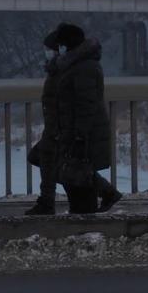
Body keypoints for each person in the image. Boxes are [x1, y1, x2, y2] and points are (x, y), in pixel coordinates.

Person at [49, 23, 122, 214]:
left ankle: (86, 219)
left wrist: (80, 136)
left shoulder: (84, 68)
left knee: (76, 175)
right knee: (75, 172)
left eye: (61, 45)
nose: (59, 50)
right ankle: (99, 200)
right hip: (74, 130)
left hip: (82, 133)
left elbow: (86, 104)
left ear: (69, 45)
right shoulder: (76, 65)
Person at [24, 30, 63, 216]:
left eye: (49, 49)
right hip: (54, 125)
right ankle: (104, 190)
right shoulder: (56, 69)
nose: (46, 52)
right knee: (45, 159)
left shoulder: (61, 70)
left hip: (58, 126)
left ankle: (47, 203)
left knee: (47, 159)